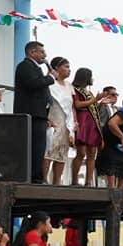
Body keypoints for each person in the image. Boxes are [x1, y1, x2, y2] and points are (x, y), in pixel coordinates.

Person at [13, 41, 56, 184]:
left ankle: (36, 176)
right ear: (32, 52)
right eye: (42, 52)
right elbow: (33, 83)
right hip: (29, 113)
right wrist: (50, 78)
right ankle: (31, 177)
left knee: (39, 147)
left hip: (39, 114)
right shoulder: (25, 66)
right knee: (32, 147)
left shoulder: (36, 68)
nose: (45, 55)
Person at [70, 68, 112, 187]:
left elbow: (93, 108)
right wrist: (95, 99)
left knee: (92, 153)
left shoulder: (89, 92)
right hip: (82, 122)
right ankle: (74, 181)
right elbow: (77, 105)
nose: (92, 79)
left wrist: (100, 103)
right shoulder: (75, 90)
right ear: (85, 77)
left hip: (92, 124)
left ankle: (88, 182)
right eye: (91, 76)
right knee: (81, 153)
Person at [43, 57, 74, 185]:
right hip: (53, 118)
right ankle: (44, 179)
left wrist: (74, 123)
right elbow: (43, 101)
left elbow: (72, 106)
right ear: (56, 68)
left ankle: (56, 182)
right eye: (66, 67)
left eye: (69, 67)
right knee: (49, 149)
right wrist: (45, 118)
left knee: (62, 152)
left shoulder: (69, 86)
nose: (69, 70)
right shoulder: (49, 83)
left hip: (66, 121)